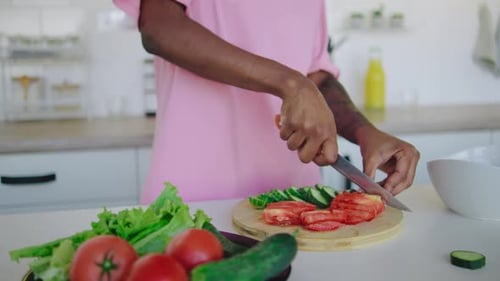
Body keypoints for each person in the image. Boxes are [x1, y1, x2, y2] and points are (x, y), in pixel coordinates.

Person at [113, 0, 420, 204]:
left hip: (295, 200)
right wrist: (290, 83)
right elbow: (160, 27)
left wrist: (366, 132)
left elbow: (316, 77)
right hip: (196, 200)